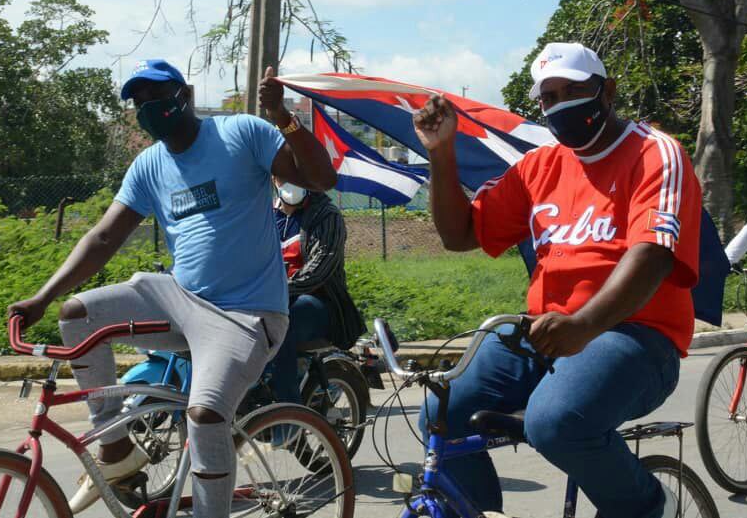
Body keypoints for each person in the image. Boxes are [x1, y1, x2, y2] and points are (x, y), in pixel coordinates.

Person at [7, 59, 335, 517]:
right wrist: (43, 297)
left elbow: (322, 179)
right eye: (138, 102)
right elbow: (103, 237)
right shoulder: (148, 166)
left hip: (247, 313)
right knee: (77, 315)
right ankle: (117, 452)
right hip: (180, 299)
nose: (146, 108)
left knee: (204, 417)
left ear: (184, 94)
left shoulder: (240, 133)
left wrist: (282, 116)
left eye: (155, 97)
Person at [413, 42, 701, 518]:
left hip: (634, 337)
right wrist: (441, 154)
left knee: (555, 423)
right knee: (440, 416)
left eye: (574, 91)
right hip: (549, 333)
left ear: (607, 91)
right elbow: (460, 233)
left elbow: (651, 257)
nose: (561, 105)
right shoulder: (538, 167)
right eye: (549, 97)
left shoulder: (655, 153)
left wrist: (584, 326)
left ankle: (652, 507)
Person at [268, 179, 366, 404]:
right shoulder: (263, 215)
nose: (290, 180)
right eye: (283, 174)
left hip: (318, 302)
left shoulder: (326, 215)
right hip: (267, 299)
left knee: (282, 322)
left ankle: (288, 411)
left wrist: (275, 292)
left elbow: (318, 270)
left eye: (297, 173)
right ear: (273, 178)